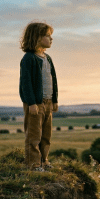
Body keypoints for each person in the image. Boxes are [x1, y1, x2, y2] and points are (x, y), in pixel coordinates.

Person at [19, 22, 58, 171]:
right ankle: (33, 164)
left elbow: (53, 80)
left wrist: (54, 100)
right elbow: (26, 83)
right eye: (47, 36)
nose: (50, 39)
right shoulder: (29, 58)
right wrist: (31, 103)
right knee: (34, 135)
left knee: (46, 135)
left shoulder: (47, 58)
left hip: (48, 102)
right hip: (35, 103)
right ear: (36, 37)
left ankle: (44, 161)